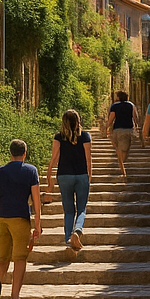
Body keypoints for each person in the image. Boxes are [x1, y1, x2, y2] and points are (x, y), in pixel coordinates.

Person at [0, 139, 43, 299]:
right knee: (19, 258)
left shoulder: (0, 172)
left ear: (10, 154)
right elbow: (36, 199)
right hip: (20, 218)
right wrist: (37, 223)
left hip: (2, 218)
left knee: (3, 257)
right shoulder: (31, 171)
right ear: (24, 154)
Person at [46, 109, 92, 254]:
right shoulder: (85, 136)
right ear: (78, 121)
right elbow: (88, 158)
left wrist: (49, 175)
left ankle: (68, 238)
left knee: (68, 210)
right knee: (82, 209)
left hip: (64, 175)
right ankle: (77, 231)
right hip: (81, 175)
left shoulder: (59, 137)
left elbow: (54, 158)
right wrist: (89, 176)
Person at [105, 90, 139, 178]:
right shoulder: (131, 105)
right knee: (124, 150)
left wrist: (106, 127)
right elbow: (135, 117)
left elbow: (111, 118)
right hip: (127, 130)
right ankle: (121, 167)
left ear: (119, 97)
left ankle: (121, 165)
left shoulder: (114, 106)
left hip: (116, 130)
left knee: (120, 149)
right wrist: (136, 126)